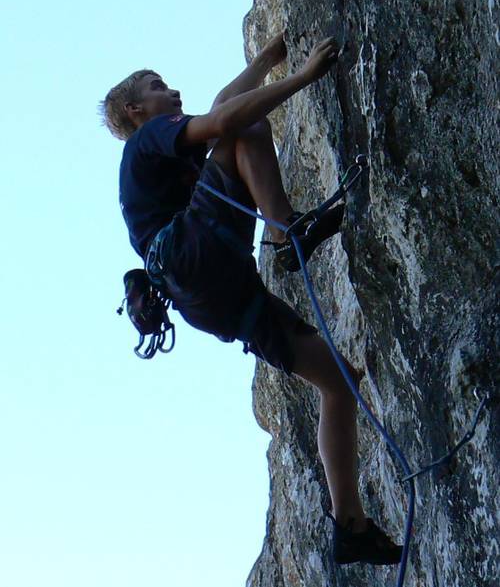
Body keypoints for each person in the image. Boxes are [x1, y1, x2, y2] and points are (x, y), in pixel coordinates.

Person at [100, 33, 402, 565]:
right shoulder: (146, 141)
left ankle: (349, 523)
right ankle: (288, 236)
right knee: (246, 128)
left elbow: (218, 107)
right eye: (157, 86)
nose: (172, 92)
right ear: (135, 109)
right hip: (194, 256)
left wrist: (266, 59)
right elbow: (225, 122)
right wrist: (304, 76)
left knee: (338, 380)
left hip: (212, 295)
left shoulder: (162, 155)